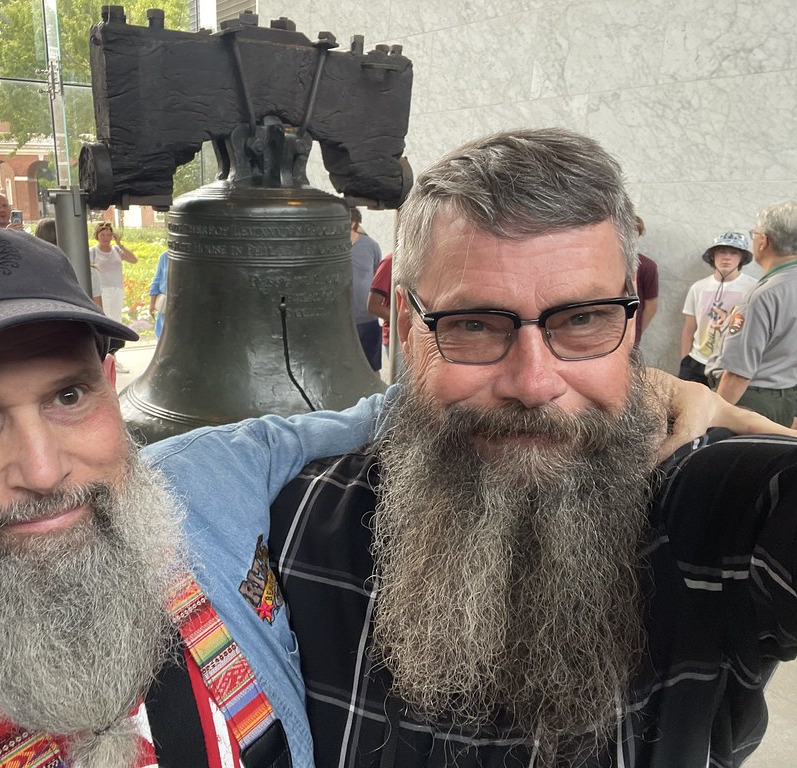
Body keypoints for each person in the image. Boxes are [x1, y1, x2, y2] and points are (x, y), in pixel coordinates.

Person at [162, 129, 797, 767]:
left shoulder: (713, 517)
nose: (534, 384)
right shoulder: (291, 525)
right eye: (472, 325)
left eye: (582, 320)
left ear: (629, 321)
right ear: (406, 326)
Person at [0, 220, 392, 766]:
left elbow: (370, 416)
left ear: (109, 386)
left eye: (68, 396)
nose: (43, 471)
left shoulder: (210, 478)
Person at [708, 202, 797, 426]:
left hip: (750, 403)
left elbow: (737, 374)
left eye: (754, 234)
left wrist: (710, 420)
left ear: (763, 241)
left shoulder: (763, 296)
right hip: (785, 400)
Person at [678, 231, 758, 385]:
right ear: (713, 256)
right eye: (722, 252)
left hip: (729, 365)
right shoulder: (698, 287)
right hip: (696, 362)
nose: (727, 257)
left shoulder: (753, 288)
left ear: (742, 258)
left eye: (734, 253)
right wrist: (685, 360)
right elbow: (689, 328)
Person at [90, 221, 137, 373]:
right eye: (103, 234)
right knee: (106, 321)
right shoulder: (93, 252)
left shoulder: (116, 250)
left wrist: (120, 244)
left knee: (116, 321)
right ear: (97, 236)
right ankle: (105, 358)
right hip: (101, 291)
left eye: (109, 234)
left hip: (117, 290)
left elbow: (133, 260)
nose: (106, 237)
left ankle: (113, 357)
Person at [350, 207, 383, 372]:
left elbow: (377, 277)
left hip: (367, 320)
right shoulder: (329, 248)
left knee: (372, 368)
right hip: (339, 321)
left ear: (353, 223)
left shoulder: (371, 246)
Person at [367, 252, 402, 381]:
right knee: (403, 387)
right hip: (396, 338)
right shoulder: (389, 262)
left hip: (420, 335)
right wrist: (406, 321)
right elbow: (373, 306)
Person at [633, 216, 659, 342]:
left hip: (631, 333)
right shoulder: (602, 263)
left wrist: (637, 332)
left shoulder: (647, 266)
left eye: (634, 232)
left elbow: (651, 305)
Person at [148, 249, 169, 339]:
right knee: (162, 334)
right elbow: (157, 279)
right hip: (165, 304)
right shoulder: (165, 256)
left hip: (183, 305)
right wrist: (152, 303)